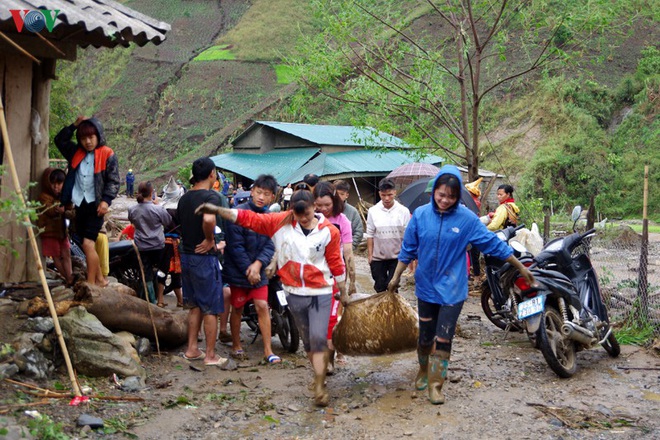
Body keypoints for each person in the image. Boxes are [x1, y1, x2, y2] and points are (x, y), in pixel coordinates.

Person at [388, 165, 535, 405]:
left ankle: (436, 384)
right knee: (425, 337)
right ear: (434, 191)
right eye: (441, 194)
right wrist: (395, 278)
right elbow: (408, 249)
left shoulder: (466, 219)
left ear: (458, 197)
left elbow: (492, 244)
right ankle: (423, 369)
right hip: (425, 286)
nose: (445, 200)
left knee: (444, 337)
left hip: (452, 289)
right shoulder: (421, 215)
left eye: (451, 196)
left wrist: (520, 267)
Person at [195, 188, 347, 407]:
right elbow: (249, 219)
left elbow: (335, 262)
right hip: (294, 293)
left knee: (318, 339)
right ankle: (317, 375)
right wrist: (218, 210)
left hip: (321, 291)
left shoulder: (329, 231)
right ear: (291, 211)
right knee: (308, 343)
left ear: (315, 207)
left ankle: (320, 383)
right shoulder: (280, 223)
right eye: (298, 215)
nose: (303, 219)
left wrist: (343, 291)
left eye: (307, 214)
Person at [54, 116, 120, 287]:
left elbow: (113, 181)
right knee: (86, 245)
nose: (88, 142)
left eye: (91, 137)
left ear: (98, 135)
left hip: (96, 205)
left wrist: (106, 201)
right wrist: (74, 125)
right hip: (80, 204)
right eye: (83, 138)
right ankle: (100, 279)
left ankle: (91, 283)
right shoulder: (76, 152)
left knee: (88, 243)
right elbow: (59, 140)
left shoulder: (107, 154)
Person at [176, 157, 228, 366]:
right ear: (212, 174)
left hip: (186, 256)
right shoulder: (210, 197)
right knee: (211, 308)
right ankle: (210, 355)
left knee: (194, 305)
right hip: (204, 258)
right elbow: (208, 219)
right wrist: (209, 239)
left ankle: (191, 349)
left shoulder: (184, 198)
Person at [224, 175, 279, 363]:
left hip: (259, 271)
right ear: (252, 191)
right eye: (258, 192)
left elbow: (270, 244)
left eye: (266, 194)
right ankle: (236, 345)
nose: (261, 197)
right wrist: (249, 269)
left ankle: (268, 350)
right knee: (237, 307)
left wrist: (257, 265)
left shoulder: (270, 218)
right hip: (239, 272)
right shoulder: (238, 213)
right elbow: (235, 246)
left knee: (263, 306)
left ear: (272, 197)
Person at [313, 181, 355, 374]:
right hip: (312, 277)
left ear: (335, 201)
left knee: (332, 318)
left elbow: (348, 252)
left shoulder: (342, 221)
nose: (322, 209)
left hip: (335, 277)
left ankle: (330, 360)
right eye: (318, 205)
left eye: (327, 205)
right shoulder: (308, 219)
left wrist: (351, 280)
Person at [128, 182, 173, 304]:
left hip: (141, 246)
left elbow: (132, 221)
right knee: (159, 270)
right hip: (158, 245)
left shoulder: (132, 209)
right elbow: (168, 221)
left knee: (146, 272)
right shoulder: (157, 209)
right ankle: (156, 299)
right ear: (152, 192)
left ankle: (149, 300)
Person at [365, 178, 410, 292]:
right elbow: (370, 234)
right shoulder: (373, 211)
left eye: (389, 195)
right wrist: (370, 255)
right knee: (379, 286)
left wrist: (406, 256)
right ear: (379, 193)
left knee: (392, 286)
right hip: (378, 257)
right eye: (383, 195)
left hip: (397, 257)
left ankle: (393, 309)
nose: (386, 198)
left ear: (395, 192)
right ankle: (381, 309)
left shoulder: (403, 211)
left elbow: (407, 235)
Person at [37, 167, 74, 285]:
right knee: (56, 257)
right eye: (53, 183)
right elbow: (50, 211)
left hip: (62, 232)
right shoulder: (43, 196)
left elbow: (70, 210)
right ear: (48, 183)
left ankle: (70, 277)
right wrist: (59, 208)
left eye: (59, 183)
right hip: (49, 232)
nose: (56, 187)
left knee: (66, 254)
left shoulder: (64, 196)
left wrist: (66, 208)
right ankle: (69, 279)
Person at [333, 179, 364, 251]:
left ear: (347, 195)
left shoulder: (352, 211)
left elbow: (358, 232)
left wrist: (349, 247)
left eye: (342, 194)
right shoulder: (327, 210)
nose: (338, 197)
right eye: (336, 194)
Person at [465, 177, 483, 277]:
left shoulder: (473, 202)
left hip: (472, 231)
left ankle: (475, 275)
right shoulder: (472, 201)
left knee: (473, 254)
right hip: (472, 230)